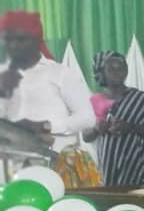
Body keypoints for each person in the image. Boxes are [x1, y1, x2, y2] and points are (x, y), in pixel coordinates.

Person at [0, 10, 94, 154]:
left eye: (20, 39)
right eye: (8, 39)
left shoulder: (61, 74)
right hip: (10, 158)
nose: (14, 45)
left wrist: (47, 126)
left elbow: (88, 116)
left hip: (57, 158)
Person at [83, 51, 144, 186]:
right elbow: (86, 136)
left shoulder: (140, 99)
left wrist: (130, 127)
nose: (117, 73)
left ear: (126, 71)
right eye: (111, 69)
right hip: (107, 169)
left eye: (121, 68)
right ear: (102, 72)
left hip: (137, 167)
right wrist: (96, 129)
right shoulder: (95, 101)